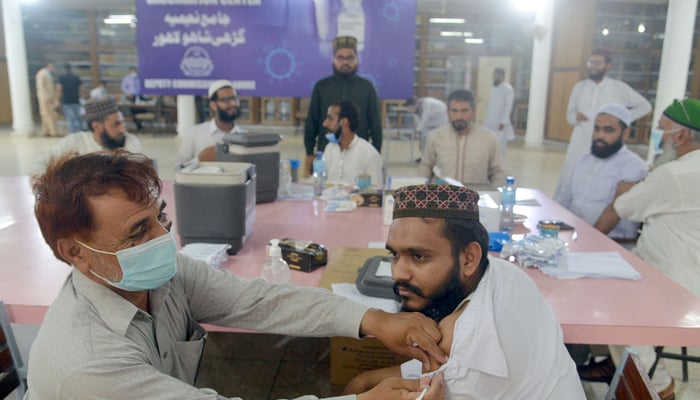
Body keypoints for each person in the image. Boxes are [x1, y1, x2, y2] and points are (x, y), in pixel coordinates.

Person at [27, 150, 446, 399]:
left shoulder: (156, 278)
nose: (162, 238)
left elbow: (257, 301)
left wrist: (372, 320)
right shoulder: (87, 365)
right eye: (138, 231)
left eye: (160, 218)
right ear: (75, 254)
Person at [343, 184, 584, 399]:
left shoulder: (466, 347)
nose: (399, 273)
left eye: (418, 256)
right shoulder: (504, 272)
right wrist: (362, 381)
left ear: (469, 257)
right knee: (362, 382)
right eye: (394, 255)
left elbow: (455, 362)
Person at [584, 99, 700, 400]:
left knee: (605, 293)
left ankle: (656, 382)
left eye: (661, 131)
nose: (658, 139)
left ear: (681, 137)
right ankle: (612, 362)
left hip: (673, 280)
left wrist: (630, 191)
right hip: (689, 270)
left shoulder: (674, 174)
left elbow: (623, 206)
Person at [554, 48, 651, 199]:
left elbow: (645, 106)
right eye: (591, 62)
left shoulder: (619, 87)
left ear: (608, 65)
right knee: (570, 173)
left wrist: (622, 119)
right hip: (580, 139)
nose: (593, 66)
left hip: (607, 142)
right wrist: (575, 117)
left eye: (598, 63)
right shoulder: (580, 87)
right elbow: (569, 116)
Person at [555, 103, 648, 242]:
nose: (600, 135)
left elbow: (615, 215)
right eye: (596, 129)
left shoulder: (634, 167)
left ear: (625, 133)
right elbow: (565, 199)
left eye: (608, 130)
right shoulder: (584, 159)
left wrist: (586, 241)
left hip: (612, 241)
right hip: (572, 235)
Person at [304, 36, 383, 174]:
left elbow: (375, 124)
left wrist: (375, 153)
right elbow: (312, 122)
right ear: (333, 59)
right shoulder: (321, 87)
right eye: (340, 58)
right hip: (326, 152)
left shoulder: (367, 88)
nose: (345, 62)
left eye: (350, 58)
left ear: (357, 59)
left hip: (358, 154)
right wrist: (309, 152)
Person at [418, 89, 505, 187]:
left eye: (464, 111)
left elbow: (498, 172)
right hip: (443, 197)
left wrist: (495, 194)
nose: (459, 116)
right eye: (454, 111)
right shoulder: (436, 136)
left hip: (475, 197)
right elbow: (426, 167)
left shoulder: (489, 138)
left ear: (473, 112)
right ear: (448, 112)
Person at [176, 80, 244, 167]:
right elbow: (179, 169)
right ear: (213, 105)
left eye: (235, 98)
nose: (233, 103)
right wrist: (199, 160)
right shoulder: (194, 133)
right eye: (226, 100)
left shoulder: (244, 137)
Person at [49, 98, 142, 158]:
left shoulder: (130, 142)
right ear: (97, 126)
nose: (123, 130)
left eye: (122, 123)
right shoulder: (74, 142)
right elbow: (42, 165)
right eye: (116, 124)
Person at [322, 100, 384, 186]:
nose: (325, 123)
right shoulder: (329, 149)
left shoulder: (369, 155)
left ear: (344, 122)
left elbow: (376, 194)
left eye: (330, 119)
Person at [482, 67, 515, 160]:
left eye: (497, 75)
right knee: (488, 142)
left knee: (500, 144)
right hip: (490, 120)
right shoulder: (493, 87)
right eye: (494, 75)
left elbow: (508, 107)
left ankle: (500, 163)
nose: (494, 77)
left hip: (500, 122)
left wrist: (504, 122)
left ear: (502, 76)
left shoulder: (508, 89)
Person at [404, 97, 448, 163]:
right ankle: (423, 157)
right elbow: (418, 119)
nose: (410, 110)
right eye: (408, 108)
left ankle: (440, 157)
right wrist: (418, 131)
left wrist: (418, 130)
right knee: (423, 138)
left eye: (410, 108)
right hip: (431, 119)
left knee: (437, 139)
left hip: (441, 118)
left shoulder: (426, 103)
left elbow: (425, 117)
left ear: (415, 104)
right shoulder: (416, 108)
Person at [56, 63, 84, 133]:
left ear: (64, 69)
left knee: (70, 118)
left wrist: (58, 99)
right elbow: (81, 88)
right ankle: (81, 130)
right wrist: (80, 96)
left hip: (66, 101)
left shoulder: (61, 78)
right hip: (76, 100)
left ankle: (73, 132)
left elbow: (59, 89)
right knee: (78, 117)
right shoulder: (76, 77)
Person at [35, 61, 59, 137]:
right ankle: (52, 132)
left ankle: (47, 131)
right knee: (47, 114)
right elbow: (41, 87)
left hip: (50, 97)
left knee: (50, 114)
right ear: (49, 65)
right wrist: (46, 97)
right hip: (45, 98)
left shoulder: (48, 74)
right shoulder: (42, 74)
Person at [120, 66, 147, 130]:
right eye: (133, 71)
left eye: (135, 71)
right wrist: (128, 93)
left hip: (140, 96)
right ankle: (138, 124)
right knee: (133, 109)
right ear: (130, 71)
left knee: (142, 109)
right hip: (131, 96)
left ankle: (140, 123)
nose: (134, 72)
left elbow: (143, 86)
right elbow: (123, 88)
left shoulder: (140, 78)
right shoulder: (126, 78)